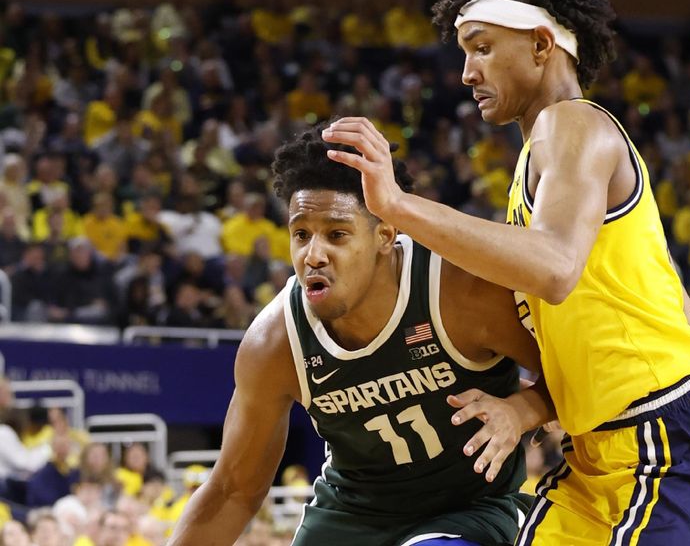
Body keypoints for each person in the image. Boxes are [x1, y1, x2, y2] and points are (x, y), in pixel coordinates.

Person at [323, 0, 690, 545]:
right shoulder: (544, 160)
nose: (467, 72)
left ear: (543, 45)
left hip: (670, 440)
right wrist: (527, 409)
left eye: (482, 47)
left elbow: (553, 269)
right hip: (600, 448)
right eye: (464, 52)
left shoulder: (572, 124)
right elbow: (670, 309)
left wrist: (396, 206)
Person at [167, 126, 555, 546]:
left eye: (336, 234)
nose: (312, 255)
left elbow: (588, 376)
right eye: (301, 234)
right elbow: (232, 491)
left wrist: (523, 410)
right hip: (352, 516)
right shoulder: (275, 342)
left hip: (471, 509)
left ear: (385, 236)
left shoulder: (459, 289)